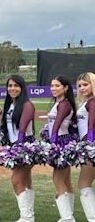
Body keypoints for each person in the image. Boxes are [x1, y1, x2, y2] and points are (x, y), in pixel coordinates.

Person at [0, 75, 37, 222]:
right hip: (15, 147)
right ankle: (28, 216)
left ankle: (26, 217)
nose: (12, 88)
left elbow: (21, 130)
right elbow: (8, 128)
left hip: (24, 146)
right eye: (10, 86)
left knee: (17, 180)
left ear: (22, 87)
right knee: (25, 181)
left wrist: (17, 149)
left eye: (16, 86)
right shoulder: (10, 105)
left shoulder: (27, 105)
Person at [42, 75, 77, 221]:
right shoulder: (59, 103)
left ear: (66, 88)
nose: (53, 88)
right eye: (52, 86)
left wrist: (52, 144)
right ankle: (68, 216)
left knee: (58, 180)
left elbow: (56, 127)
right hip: (62, 141)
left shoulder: (64, 104)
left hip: (60, 143)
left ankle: (67, 218)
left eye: (57, 86)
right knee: (66, 180)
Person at [76, 72, 95, 221]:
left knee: (84, 183)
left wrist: (89, 141)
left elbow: (92, 124)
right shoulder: (87, 102)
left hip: (91, 148)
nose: (82, 88)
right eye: (80, 85)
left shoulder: (92, 102)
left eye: (86, 84)